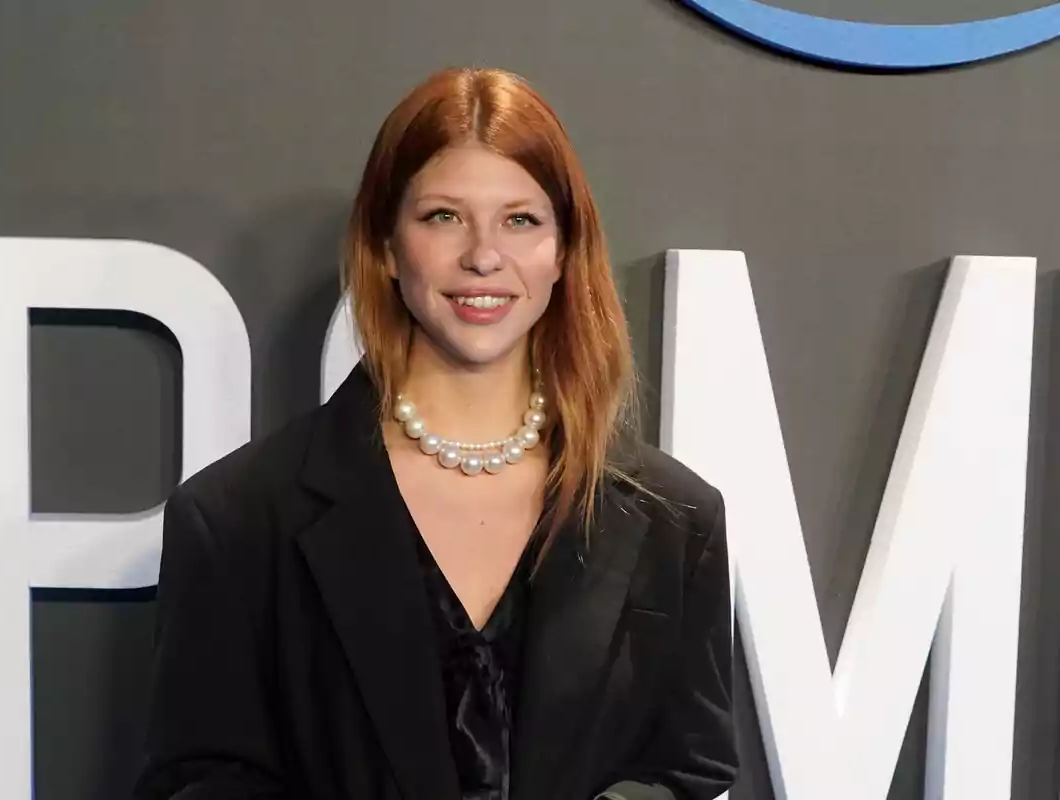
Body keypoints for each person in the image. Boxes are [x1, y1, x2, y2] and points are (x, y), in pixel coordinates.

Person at [133, 66, 737, 800]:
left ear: (563, 252)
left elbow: (690, 775)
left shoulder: (677, 519)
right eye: (444, 216)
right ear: (387, 246)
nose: (484, 255)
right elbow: (199, 783)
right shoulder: (236, 519)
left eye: (521, 219)